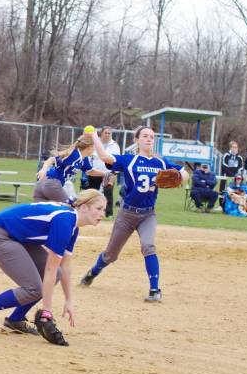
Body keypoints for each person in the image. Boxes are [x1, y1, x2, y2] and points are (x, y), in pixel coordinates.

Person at [0, 189, 107, 346]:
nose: (103, 214)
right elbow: (50, 269)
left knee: (57, 275)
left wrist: (68, 300)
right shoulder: (65, 221)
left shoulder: (73, 226)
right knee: (33, 288)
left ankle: (15, 320)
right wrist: (47, 311)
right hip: (0, 235)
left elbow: (64, 266)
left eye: (104, 209)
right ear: (84, 207)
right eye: (99, 209)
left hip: (18, 237)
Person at [79, 126, 188, 302]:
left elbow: (184, 173)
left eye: (152, 137)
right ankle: (93, 272)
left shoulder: (160, 163)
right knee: (111, 255)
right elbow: (105, 157)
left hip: (148, 215)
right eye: (145, 136)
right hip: (127, 215)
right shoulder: (129, 160)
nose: (149, 139)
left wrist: (179, 178)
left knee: (148, 246)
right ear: (137, 140)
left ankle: (155, 290)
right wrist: (94, 136)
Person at [34, 133, 105, 203]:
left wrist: (105, 174)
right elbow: (52, 159)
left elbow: (90, 171)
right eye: (94, 147)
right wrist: (43, 170)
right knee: (72, 205)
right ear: (89, 147)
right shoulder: (74, 155)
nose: (94, 150)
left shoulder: (84, 159)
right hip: (51, 183)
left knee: (46, 211)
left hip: (49, 185)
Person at [89, 126, 121, 217]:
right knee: (93, 193)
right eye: (105, 133)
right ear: (101, 133)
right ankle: (92, 212)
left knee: (108, 191)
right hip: (95, 171)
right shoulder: (95, 143)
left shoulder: (114, 145)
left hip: (109, 173)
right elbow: (89, 156)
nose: (107, 135)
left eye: (109, 133)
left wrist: (114, 174)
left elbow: (117, 160)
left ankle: (109, 213)